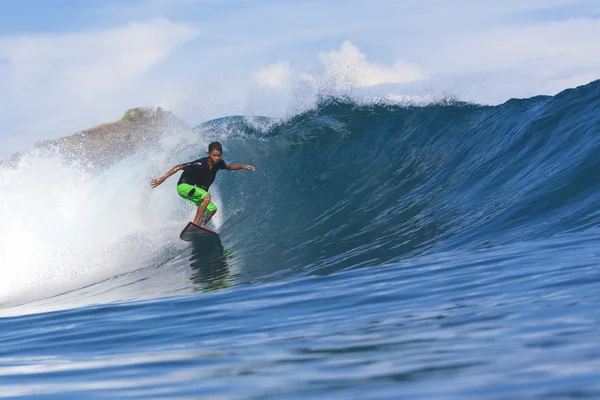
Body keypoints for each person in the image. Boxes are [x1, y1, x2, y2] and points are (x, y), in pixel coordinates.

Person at [151, 141, 255, 226]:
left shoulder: (219, 163)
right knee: (207, 197)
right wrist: (162, 178)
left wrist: (244, 166)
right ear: (208, 154)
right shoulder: (200, 163)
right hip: (184, 186)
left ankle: (200, 226)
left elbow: (228, 167)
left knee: (212, 209)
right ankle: (196, 223)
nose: (217, 158)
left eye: (219, 156)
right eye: (214, 155)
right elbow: (179, 166)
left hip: (194, 189)